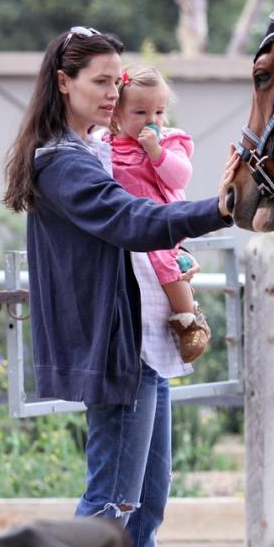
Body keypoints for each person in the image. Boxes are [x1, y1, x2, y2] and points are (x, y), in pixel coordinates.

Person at [3, 26, 238, 547]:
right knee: (112, 506)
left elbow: (147, 213)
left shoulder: (100, 148)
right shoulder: (62, 162)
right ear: (64, 82)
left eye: (117, 80)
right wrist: (220, 208)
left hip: (147, 344)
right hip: (118, 351)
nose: (113, 92)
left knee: (146, 507)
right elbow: (131, 220)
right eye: (100, 81)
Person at [103, 63, 210, 363]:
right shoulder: (106, 146)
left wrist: (156, 153)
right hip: (128, 226)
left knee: (166, 262)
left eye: (159, 113)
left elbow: (180, 177)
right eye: (140, 113)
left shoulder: (168, 140)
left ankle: (189, 319)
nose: (152, 121)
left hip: (161, 222)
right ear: (117, 114)